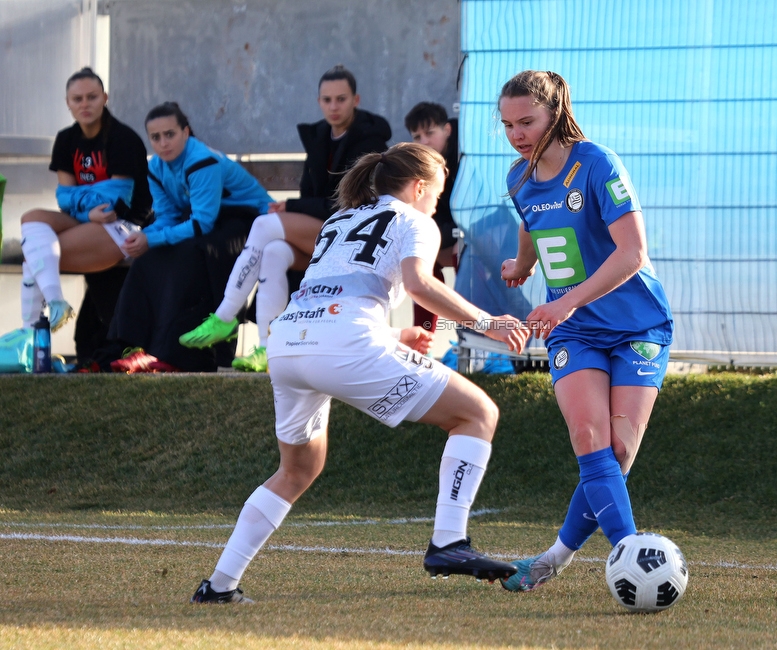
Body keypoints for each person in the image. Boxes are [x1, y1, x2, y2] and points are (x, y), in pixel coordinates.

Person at [190, 142, 529, 604]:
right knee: (477, 414)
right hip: (342, 344)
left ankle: (219, 586)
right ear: (419, 186)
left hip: (287, 342)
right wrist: (489, 322)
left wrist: (389, 340)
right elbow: (418, 285)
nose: (437, 203)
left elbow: (336, 294)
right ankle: (449, 542)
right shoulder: (417, 221)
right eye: (438, 192)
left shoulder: (339, 219)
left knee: (296, 470)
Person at [496, 71, 674, 592]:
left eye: (527, 121)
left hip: (637, 322)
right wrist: (523, 265)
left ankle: (553, 557)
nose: (518, 134)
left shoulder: (597, 164)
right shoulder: (518, 178)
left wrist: (566, 302)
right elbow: (531, 220)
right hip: (575, 333)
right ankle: (633, 556)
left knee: (617, 451)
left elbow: (632, 253)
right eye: (508, 125)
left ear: (555, 111)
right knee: (588, 437)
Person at [178, 65, 391, 372]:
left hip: (352, 233)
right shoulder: (318, 137)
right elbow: (310, 190)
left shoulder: (369, 140)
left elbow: (353, 200)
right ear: (319, 101)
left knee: (262, 225)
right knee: (274, 253)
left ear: (355, 100)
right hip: (321, 228)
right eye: (327, 99)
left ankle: (225, 316)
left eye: (341, 99)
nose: (333, 106)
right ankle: (267, 349)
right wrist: (294, 206)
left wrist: (291, 204)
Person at [105, 102, 273, 372]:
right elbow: (168, 216)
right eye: (155, 137)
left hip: (248, 222)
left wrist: (154, 239)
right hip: (212, 223)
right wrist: (143, 238)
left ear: (186, 132)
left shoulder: (201, 161)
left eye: (170, 134)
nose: (163, 143)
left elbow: (202, 224)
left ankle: (184, 355)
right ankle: (133, 346)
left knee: (191, 256)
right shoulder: (156, 168)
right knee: (149, 259)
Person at [0, 67, 152, 365]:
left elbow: (115, 203)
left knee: (36, 255)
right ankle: (53, 305)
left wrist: (84, 203)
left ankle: (31, 333)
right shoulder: (67, 139)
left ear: (105, 98)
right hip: (87, 218)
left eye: (92, 97)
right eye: (77, 98)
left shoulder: (122, 138)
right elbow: (64, 198)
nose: (85, 104)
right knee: (31, 217)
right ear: (67, 103)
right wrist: (87, 206)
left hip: (124, 224)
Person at [404, 101, 459, 334]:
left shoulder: (464, 157)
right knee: (421, 264)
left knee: (465, 255)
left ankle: (477, 340)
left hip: (469, 237)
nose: (423, 142)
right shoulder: (417, 165)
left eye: (429, 133)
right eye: (417, 137)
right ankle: (422, 337)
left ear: (447, 130)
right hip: (444, 234)